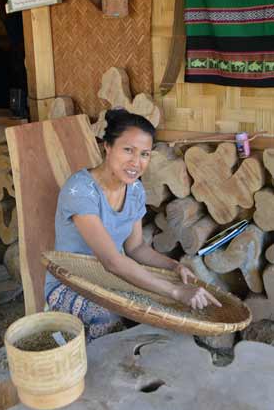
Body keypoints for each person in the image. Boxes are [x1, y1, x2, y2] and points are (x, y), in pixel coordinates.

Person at [45, 109, 221, 342]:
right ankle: (88, 369)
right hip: (70, 282)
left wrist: (174, 267)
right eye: (128, 150)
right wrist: (175, 291)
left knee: (157, 318)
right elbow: (112, 261)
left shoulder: (135, 190)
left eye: (145, 154)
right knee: (106, 318)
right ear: (107, 146)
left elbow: (136, 248)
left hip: (111, 280)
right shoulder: (80, 191)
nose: (136, 163)